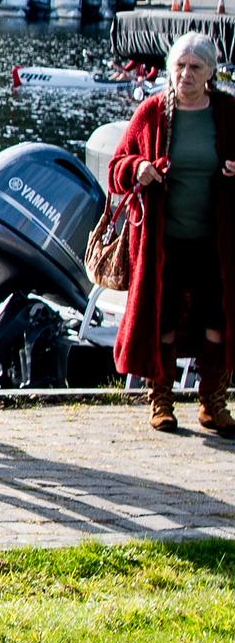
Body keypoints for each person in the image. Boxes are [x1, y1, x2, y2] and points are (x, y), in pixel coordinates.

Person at [111, 29, 235, 434]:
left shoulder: (228, 112)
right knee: (160, 320)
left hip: (216, 243)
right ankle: (160, 400)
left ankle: (212, 401)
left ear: (211, 73)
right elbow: (116, 169)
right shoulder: (152, 112)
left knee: (217, 321)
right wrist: (138, 168)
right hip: (162, 242)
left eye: (195, 67)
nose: (185, 74)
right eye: (179, 66)